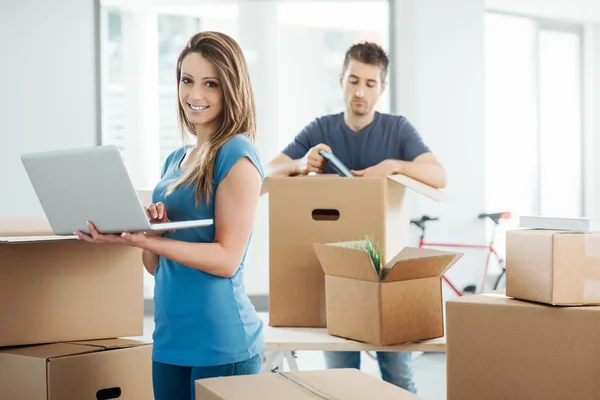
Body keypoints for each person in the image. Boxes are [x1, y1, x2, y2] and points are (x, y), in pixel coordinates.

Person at [75, 31, 265, 400]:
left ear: (231, 88)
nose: (195, 95)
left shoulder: (237, 154)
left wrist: (143, 239)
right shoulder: (175, 160)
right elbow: (154, 265)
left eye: (210, 83)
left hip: (220, 340)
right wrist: (154, 236)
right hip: (170, 338)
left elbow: (227, 259)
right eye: (186, 80)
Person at [265, 42, 447, 394]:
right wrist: (301, 164)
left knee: (398, 378)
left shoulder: (397, 130)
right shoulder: (321, 129)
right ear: (341, 80)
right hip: (338, 272)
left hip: (387, 271)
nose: (360, 91)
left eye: (369, 83)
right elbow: (267, 172)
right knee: (340, 382)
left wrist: (394, 166)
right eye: (353, 80)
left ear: (382, 88)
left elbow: (439, 175)